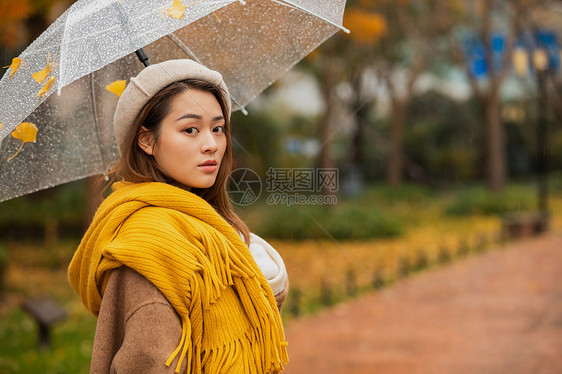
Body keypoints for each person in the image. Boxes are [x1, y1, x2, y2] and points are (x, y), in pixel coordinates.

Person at [68, 59, 289, 373]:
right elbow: (152, 362)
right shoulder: (149, 241)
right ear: (146, 140)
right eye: (190, 130)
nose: (211, 144)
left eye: (218, 128)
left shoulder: (208, 227)